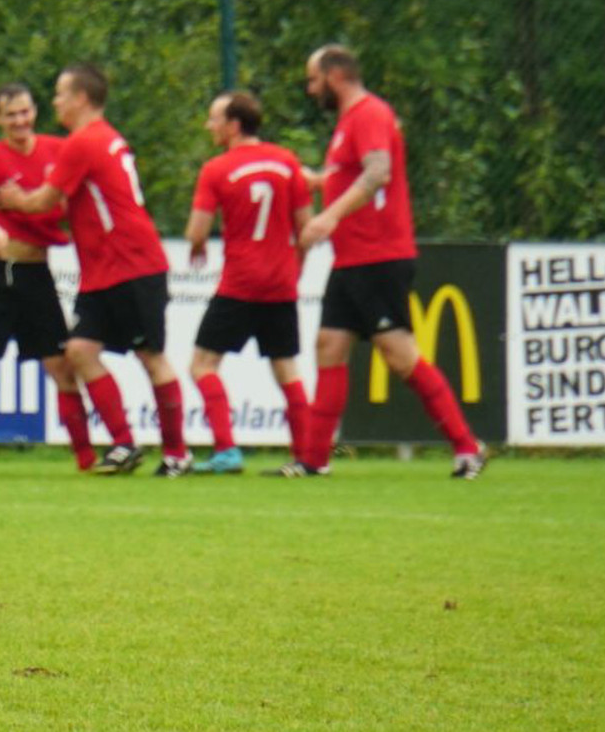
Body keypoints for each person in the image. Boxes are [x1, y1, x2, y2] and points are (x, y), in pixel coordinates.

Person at [289, 45, 488, 478]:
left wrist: (328, 215)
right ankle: (313, 461)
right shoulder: (349, 122)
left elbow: (378, 172)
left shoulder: (369, 114)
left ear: (336, 74)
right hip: (352, 259)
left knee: (399, 355)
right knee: (329, 345)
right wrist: (319, 180)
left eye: (313, 79)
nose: (310, 89)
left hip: (379, 256)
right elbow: (356, 174)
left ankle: (467, 447)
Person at [0, 64, 190, 476]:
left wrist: (11, 200)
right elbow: (74, 203)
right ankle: (124, 445)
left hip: (132, 263)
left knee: (151, 357)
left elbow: (44, 200)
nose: (55, 102)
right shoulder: (104, 140)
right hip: (105, 269)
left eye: (60, 94)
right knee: (80, 351)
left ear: (81, 98)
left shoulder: (83, 142)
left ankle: (177, 454)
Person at [0, 82, 94, 480]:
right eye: (10, 114)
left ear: (35, 112)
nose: (20, 120)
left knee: (61, 365)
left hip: (36, 273)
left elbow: (70, 201)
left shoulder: (58, 150)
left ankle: (86, 458)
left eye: (25, 111)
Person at [183, 92, 313, 473]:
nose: (210, 127)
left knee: (203, 365)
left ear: (234, 125)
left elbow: (195, 230)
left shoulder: (217, 169)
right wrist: (295, 266)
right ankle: (305, 457)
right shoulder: (288, 163)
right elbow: (306, 229)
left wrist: (197, 245)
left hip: (239, 283)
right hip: (280, 284)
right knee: (286, 367)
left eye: (214, 120)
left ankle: (226, 450)